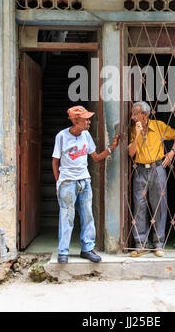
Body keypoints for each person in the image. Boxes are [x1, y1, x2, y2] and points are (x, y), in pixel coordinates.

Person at [52, 105, 119, 264]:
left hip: (85, 181)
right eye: (86, 119)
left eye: (89, 118)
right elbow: (55, 162)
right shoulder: (61, 136)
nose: (89, 122)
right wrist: (58, 183)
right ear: (76, 121)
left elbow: (95, 157)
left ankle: (87, 249)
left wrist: (112, 148)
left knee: (88, 215)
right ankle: (63, 252)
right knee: (67, 217)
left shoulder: (86, 135)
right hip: (67, 182)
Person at [128, 101, 175, 258]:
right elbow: (131, 153)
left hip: (157, 169)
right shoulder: (133, 130)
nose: (132, 117)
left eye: (135, 114)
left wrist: (172, 152)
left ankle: (158, 243)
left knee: (159, 206)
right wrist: (137, 134)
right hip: (140, 171)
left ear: (145, 115)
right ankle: (140, 244)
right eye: (132, 113)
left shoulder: (158, 126)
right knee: (139, 206)